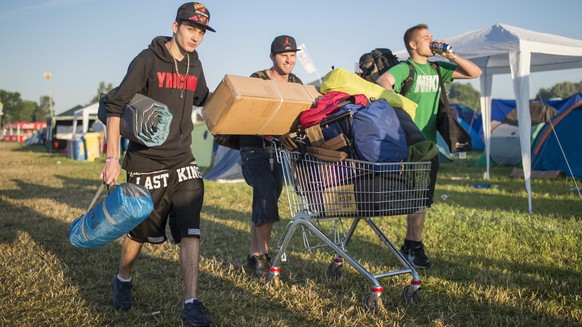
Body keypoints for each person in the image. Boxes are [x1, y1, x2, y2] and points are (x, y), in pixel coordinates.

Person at [100, 3, 215, 326]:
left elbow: (205, 97)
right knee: (139, 232)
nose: (196, 36)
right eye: (191, 28)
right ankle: (122, 278)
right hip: (146, 161)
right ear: (175, 26)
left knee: (191, 229)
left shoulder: (195, 62)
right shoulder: (147, 59)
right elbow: (114, 105)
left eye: (201, 31)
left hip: (183, 160)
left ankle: (191, 302)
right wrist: (111, 158)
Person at [376, 24, 481, 269]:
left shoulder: (437, 69)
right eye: (426, 38)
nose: (432, 41)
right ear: (413, 45)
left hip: (430, 143)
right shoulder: (406, 68)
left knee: (421, 198)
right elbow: (383, 82)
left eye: (431, 37)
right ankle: (414, 245)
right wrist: (400, 105)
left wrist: (450, 55)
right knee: (415, 197)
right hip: (410, 142)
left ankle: (412, 244)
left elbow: (474, 73)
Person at [239, 35, 303, 278]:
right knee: (265, 193)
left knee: (268, 196)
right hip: (254, 147)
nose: (289, 60)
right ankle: (264, 256)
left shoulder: (296, 82)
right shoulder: (258, 79)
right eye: (283, 55)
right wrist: (277, 131)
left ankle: (254, 254)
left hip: (278, 151)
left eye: (292, 55)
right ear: (272, 57)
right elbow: (249, 114)